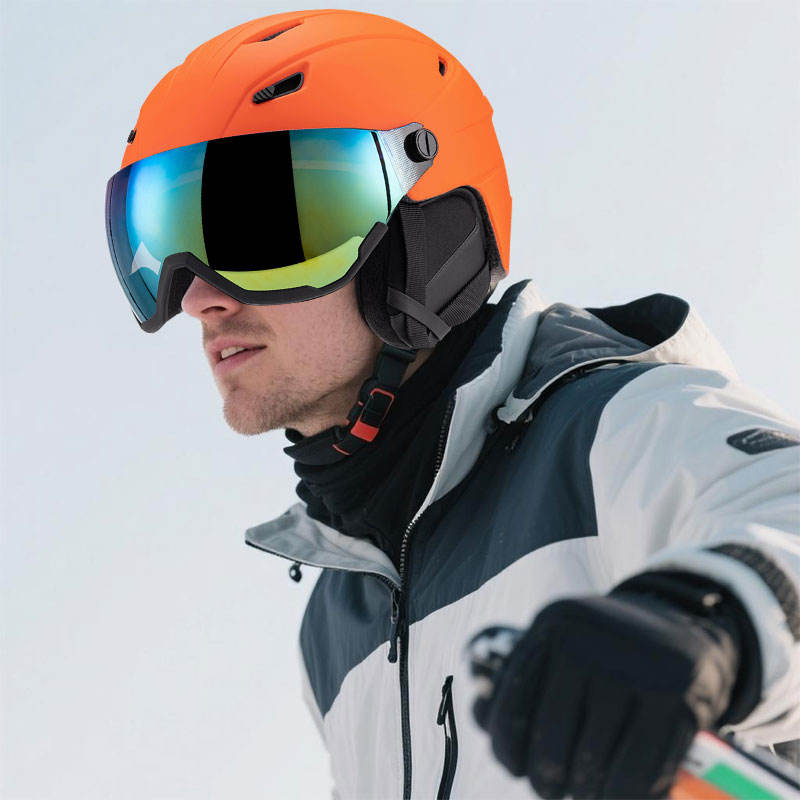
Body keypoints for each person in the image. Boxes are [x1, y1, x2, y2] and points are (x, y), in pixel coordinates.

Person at [104, 9, 800, 799]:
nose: (197, 298)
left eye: (267, 230)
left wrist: (704, 620)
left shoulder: (611, 428)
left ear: (424, 243)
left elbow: (782, 504)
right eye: (164, 240)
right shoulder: (334, 626)